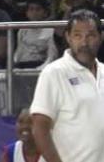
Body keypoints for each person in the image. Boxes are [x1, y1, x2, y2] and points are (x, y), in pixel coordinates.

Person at [30, 9, 104, 162]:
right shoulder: (54, 73)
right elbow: (39, 128)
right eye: (77, 35)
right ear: (68, 37)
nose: (84, 43)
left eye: (90, 35)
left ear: (101, 37)